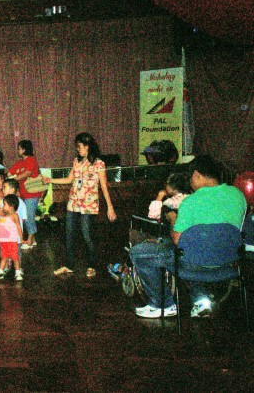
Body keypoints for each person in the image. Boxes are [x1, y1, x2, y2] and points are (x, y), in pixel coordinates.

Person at [130, 155, 247, 318]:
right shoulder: (238, 195)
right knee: (197, 247)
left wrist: (173, 219)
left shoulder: (190, 202)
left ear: (197, 175)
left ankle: (162, 305)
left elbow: (178, 241)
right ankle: (201, 300)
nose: (190, 183)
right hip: (229, 263)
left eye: (190, 177)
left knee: (139, 253)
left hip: (194, 264)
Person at [43, 133, 117, 278]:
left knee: (87, 235)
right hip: (73, 203)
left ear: (88, 146)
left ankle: (92, 265)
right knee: (69, 234)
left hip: (88, 205)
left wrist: (110, 207)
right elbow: (69, 179)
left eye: (80, 146)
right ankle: (69, 265)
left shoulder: (99, 164)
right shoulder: (76, 161)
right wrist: (50, 180)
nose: (78, 149)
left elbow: (104, 186)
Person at [8, 140, 42, 249]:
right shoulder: (19, 162)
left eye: (19, 148)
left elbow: (27, 173)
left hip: (32, 194)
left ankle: (30, 240)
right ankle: (33, 239)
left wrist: (14, 179)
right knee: (24, 216)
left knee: (28, 217)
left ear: (23, 149)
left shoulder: (31, 160)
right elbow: (10, 172)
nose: (17, 151)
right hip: (22, 195)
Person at [0, 195, 24, 282]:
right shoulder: (3, 214)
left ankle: (17, 272)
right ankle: (0, 271)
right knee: (4, 257)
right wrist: (3, 209)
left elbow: (19, 227)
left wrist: (21, 238)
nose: (3, 206)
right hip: (3, 241)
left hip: (12, 241)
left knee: (15, 257)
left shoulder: (14, 216)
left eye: (5, 204)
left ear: (11, 206)